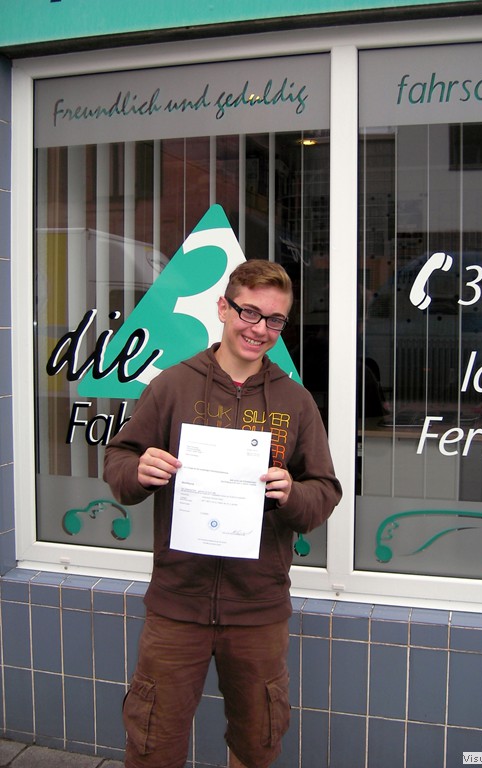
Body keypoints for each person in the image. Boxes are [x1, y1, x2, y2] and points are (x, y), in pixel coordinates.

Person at [104, 259, 342, 768]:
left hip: (257, 610)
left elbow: (324, 491)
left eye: (274, 320)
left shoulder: (295, 402)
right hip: (177, 605)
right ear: (222, 308)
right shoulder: (173, 386)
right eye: (248, 312)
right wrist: (138, 470)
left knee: (256, 745)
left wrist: (292, 493)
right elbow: (119, 460)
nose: (259, 329)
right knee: (152, 745)